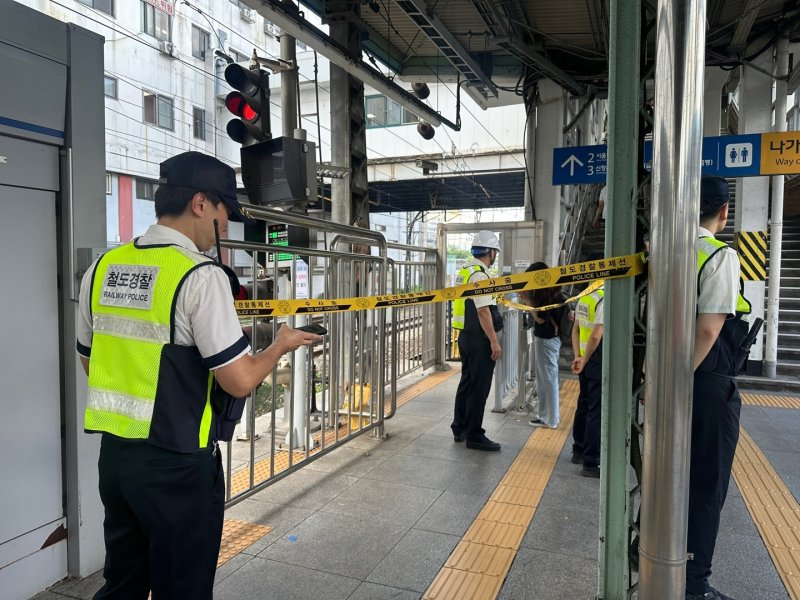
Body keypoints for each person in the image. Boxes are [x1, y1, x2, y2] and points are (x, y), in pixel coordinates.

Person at [76, 151, 322, 599]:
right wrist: (280, 345)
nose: (226, 223)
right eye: (225, 208)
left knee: (123, 583)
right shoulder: (199, 276)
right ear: (200, 203)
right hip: (178, 465)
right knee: (182, 588)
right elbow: (240, 379)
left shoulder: (101, 269)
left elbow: (91, 361)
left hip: (116, 460)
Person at [685, 177, 750, 600]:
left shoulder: (662, 248)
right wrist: (679, 383)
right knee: (706, 486)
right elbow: (709, 328)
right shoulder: (718, 254)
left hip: (668, 373)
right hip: (706, 381)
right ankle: (692, 586)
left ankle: (651, 552)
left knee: (671, 476)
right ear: (723, 212)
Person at [451, 230, 504, 451]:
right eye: (495, 252)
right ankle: (474, 435)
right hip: (479, 338)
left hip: (466, 336)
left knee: (467, 382)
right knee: (479, 387)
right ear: (491, 252)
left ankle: (460, 427)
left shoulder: (465, 271)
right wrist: (494, 340)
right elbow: (483, 311)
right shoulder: (481, 275)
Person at [570, 262, 605, 478]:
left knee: (583, 405)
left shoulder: (584, 296)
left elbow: (574, 331)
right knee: (596, 410)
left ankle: (579, 450)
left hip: (584, 359)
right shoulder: (603, 296)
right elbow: (596, 335)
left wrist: (578, 356)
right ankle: (591, 462)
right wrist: (585, 359)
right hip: (596, 360)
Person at [522, 262, 565, 429]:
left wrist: (527, 300)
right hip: (551, 340)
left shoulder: (546, 295)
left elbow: (540, 318)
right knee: (546, 379)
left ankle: (550, 419)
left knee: (547, 380)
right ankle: (547, 416)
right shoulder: (554, 291)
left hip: (546, 341)